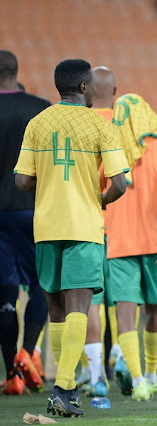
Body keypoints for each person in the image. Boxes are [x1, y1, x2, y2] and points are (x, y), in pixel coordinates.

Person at [14, 59, 129, 417]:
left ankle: (64, 386)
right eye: (92, 85)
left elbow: (21, 181)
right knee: (79, 307)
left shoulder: (38, 123)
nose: (95, 90)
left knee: (57, 309)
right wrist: (98, 199)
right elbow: (120, 184)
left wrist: (48, 184)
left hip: (46, 228)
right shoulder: (100, 125)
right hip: (83, 228)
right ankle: (64, 389)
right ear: (83, 88)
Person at [105, 93, 157, 400]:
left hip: (119, 243)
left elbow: (102, 192)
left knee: (125, 312)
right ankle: (151, 375)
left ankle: (137, 379)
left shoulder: (111, 153)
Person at [0, 50, 49, 395]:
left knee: (3, 293)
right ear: (16, 71)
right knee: (41, 285)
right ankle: (28, 354)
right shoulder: (41, 108)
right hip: (34, 208)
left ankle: (10, 375)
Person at [76, 65, 118, 397]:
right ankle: (117, 362)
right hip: (123, 227)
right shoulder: (123, 124)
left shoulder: (79, 124)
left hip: (87, 223)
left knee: (87, 300)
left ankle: (91, 372)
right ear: (114, 91)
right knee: (119, 302)